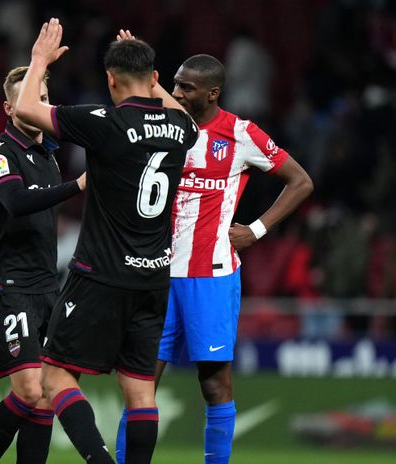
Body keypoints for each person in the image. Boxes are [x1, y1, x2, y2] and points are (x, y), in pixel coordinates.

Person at [113, 35, 314, 464]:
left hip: (212, 275)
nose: (178, 92)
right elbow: (150, 89)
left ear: (212, 93)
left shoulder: (241, 134)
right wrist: (138, 54)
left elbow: (301, 181)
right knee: (140, 381)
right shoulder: (171, 123)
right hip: (160, 273)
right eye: (176, 85)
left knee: (214, 384)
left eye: (187, 87)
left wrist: (257, 229)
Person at [14, 19, 199, 464]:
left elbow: (25, 110)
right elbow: (187, 118)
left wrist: (39, 59)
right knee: (139, 390)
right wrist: (150, 78)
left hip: (100, 275)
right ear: (156, 80)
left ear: (110, 80)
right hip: (153, 279)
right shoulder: (180, 128)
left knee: (55, 376)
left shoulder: (103, 121)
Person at [0, 66, 85, 464]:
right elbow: (16, 203)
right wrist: (77, 186)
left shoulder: (49, 157)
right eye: (28, 98)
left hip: (46, 286)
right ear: (9, 107)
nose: (38, 104)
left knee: (43, 400)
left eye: (42, 96)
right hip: (9, 286)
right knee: (29, 390)